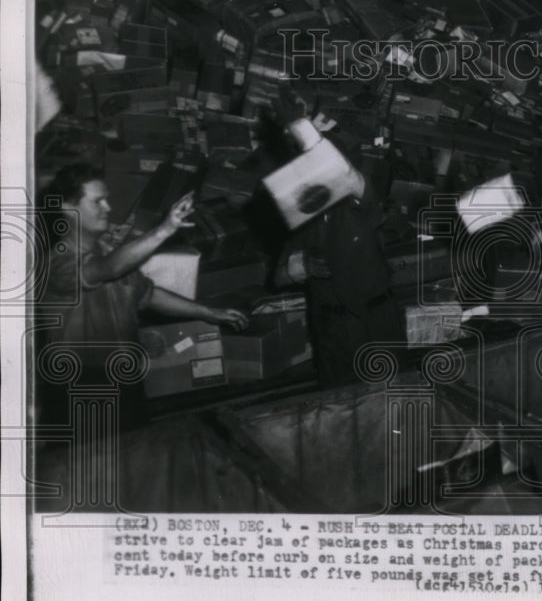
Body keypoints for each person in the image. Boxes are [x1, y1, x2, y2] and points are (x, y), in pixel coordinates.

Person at [39, 163, 248, 428]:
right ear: (68, 209)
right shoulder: (56, 263)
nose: (108, 208)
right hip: (80, 385)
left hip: (126, 379)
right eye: (97, 202)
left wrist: (209, 312)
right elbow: (107, 270)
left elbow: (148, 295)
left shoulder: (108, 250)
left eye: (107, 200)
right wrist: (164, 229)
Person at [272, 89, 404, 389]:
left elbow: (346, 176)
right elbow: (277, 277)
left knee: (388, 404)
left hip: (374, 321)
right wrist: (300, 265)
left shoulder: (359, 204)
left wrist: (302, 129)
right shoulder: (301, 218)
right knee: (339, 409)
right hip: (330, 327)